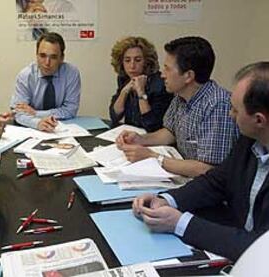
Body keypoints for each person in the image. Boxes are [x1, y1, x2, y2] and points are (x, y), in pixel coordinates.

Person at [132, 62, 269, 261]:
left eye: (236, 111)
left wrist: (180, 223)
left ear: (259, 120)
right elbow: (217, 181)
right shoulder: (250, 140)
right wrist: (166, 199)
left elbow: (261, 248)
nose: (230, 115)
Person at [116, 36, 238, 178]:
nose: (162, 75)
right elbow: (170, 133)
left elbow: (208, 169)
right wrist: (141, 139)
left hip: (208, 186)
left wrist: (153, 157)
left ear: (188, 76)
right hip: (184, 173)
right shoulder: (180, 96)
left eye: (167, 69)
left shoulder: (218, 105)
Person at [10, 32, 81, 132]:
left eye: (53, 57)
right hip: (31, 129)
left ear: (61, 58)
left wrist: (36, 113)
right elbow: (18, 113)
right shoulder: (25, 76)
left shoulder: (71, 74)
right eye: (42, 56)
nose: (47, 63)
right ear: (36, 55)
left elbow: (70, 110)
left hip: (61, 128)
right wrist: (38, 123)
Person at [109, 36, 173, 132]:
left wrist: (141, 93)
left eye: (138, 60)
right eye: (127, 60)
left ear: (147, 61)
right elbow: (115, 116)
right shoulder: (124, 78)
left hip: (153, 138)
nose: (132, 66)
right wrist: (124, 92)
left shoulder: (160, 83)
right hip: (131, 134)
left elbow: (152, 125)